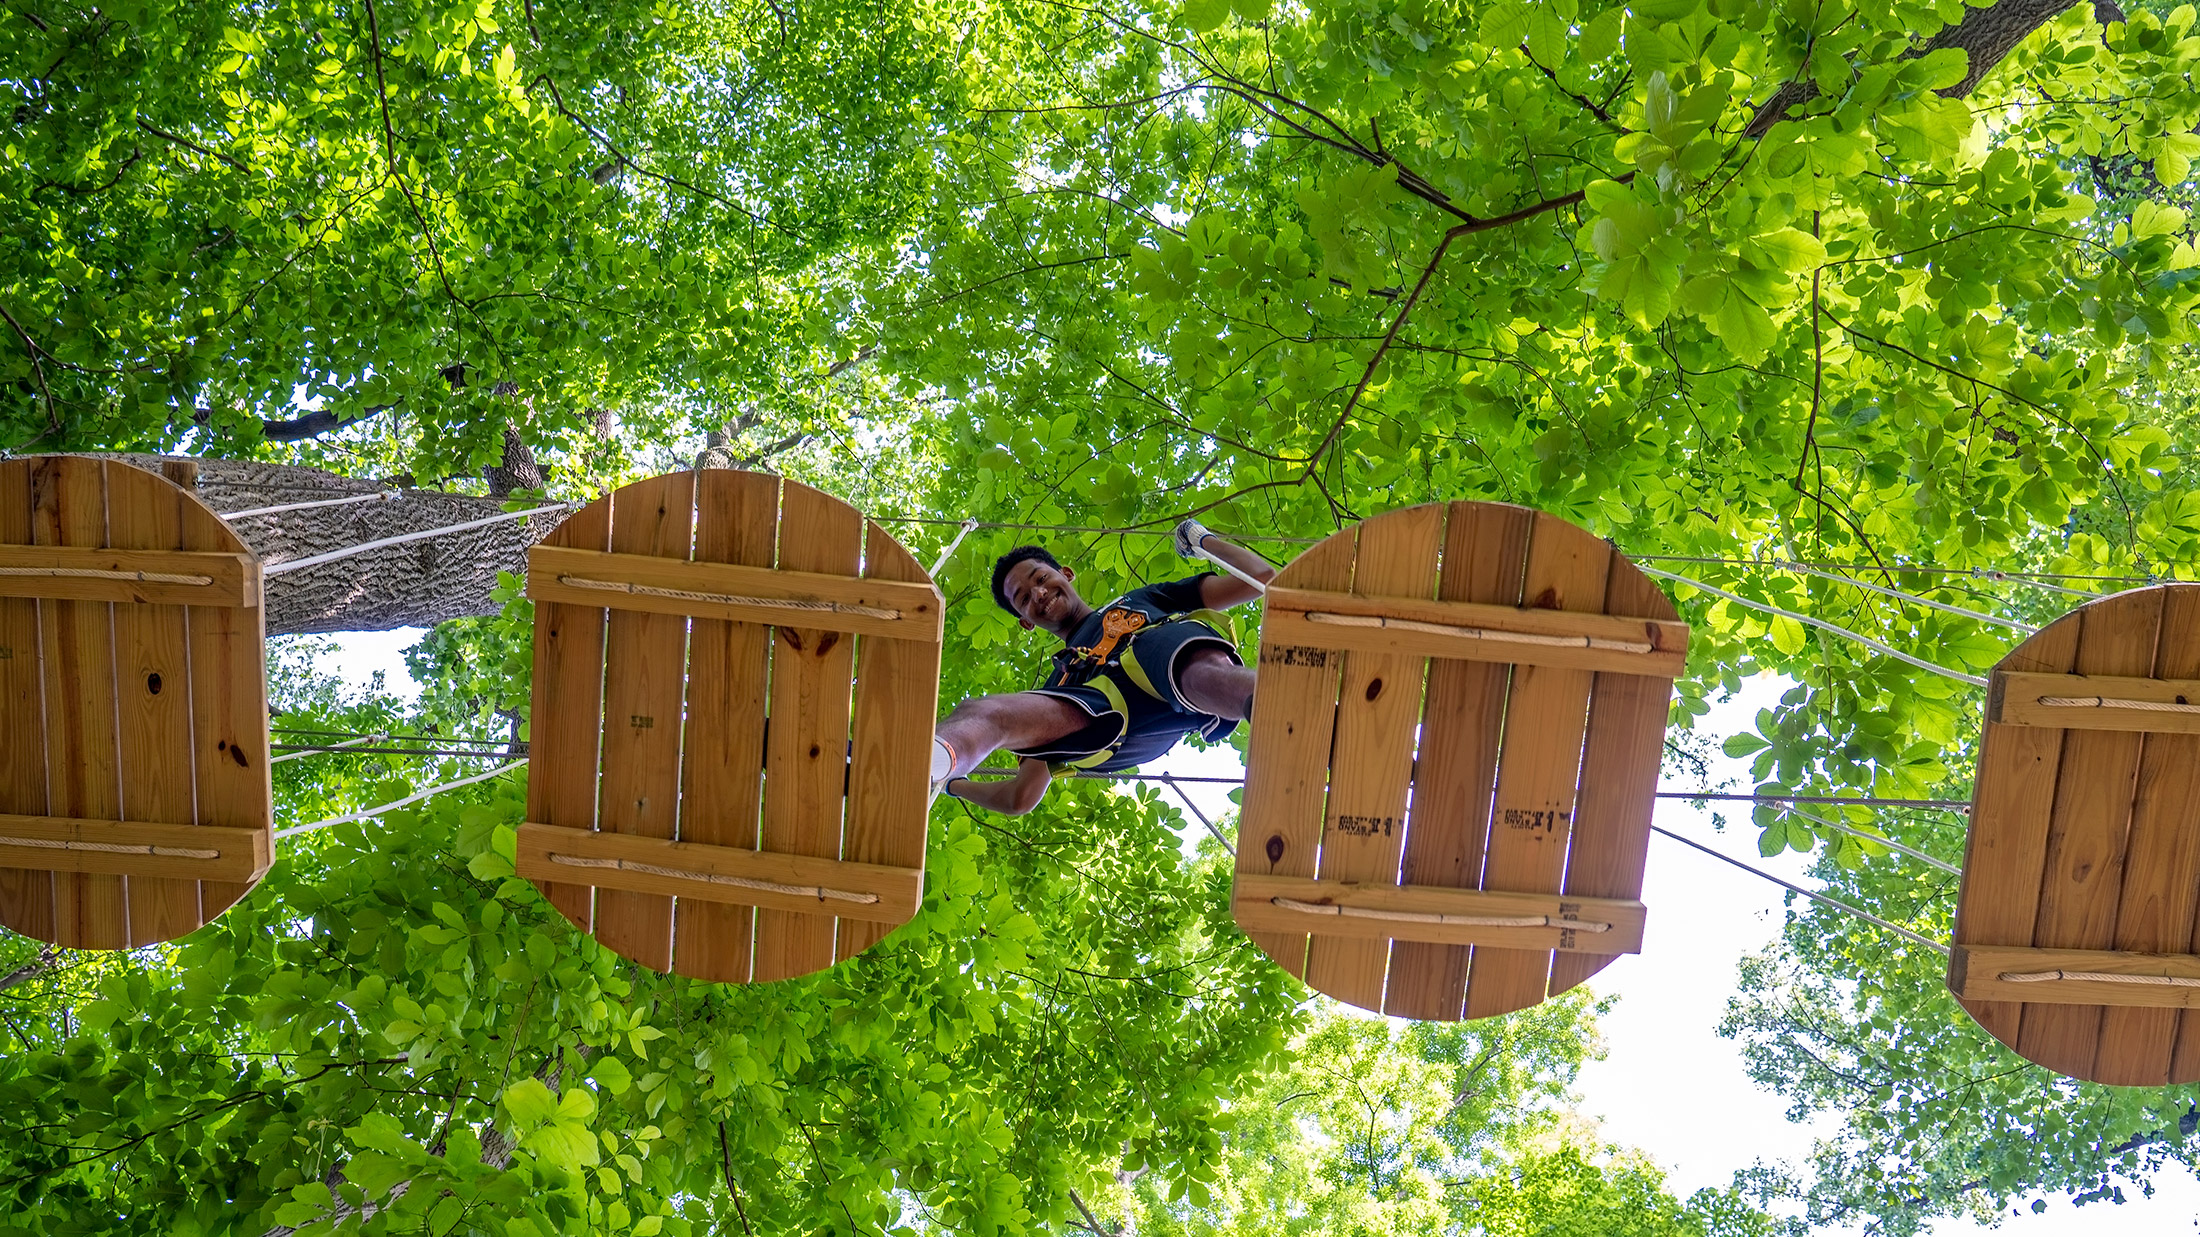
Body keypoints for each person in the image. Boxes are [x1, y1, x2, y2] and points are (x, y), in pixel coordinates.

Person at [929, 518, 1277, 815]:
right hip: (1109, 720)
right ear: (1026, 622)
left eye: (1039, 578)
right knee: (983, 710)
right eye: (1022, 598)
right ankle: (932, 758)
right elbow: (1020, 797)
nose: (1036, 593)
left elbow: (1259, 578)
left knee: (1168, 654)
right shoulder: (1060, 682)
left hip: (1166, 662)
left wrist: (1201, 539)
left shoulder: (1141, 600)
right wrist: (953, 784)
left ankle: (1274, 704)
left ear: (1066, 573)